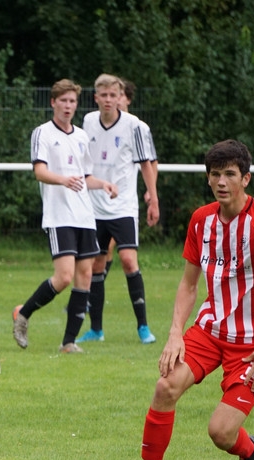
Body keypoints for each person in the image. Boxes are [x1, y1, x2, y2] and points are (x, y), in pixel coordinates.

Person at [121, 139, 254, 460]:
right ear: (208, 179)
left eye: (230, 174)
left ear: (246, 179)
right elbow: (189, 284)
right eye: (215, 174)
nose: (222, 181)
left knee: (221, 432)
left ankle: (250, 450)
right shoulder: (201, 220)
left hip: (253, 344)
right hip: (208, 331)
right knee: (164, 388)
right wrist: (175, 334)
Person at [13, 79, 117, 354]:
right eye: (64, 101)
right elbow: (39, 171)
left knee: (85, 275)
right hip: (59, 216)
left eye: (72, 101)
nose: (69, 106)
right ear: (53, 103)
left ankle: (68, 342)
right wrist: (63, 180)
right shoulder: (43, 133)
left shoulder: (82, 136)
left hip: (84, 216)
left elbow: (85, 177)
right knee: (63, 277)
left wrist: (103, 184)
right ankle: (23, 314)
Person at [78, 74, 160, 345]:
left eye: (114, 95)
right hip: (94, 207)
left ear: (120, 96)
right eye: (104, 95)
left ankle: (143, 327)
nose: (109, 100)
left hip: (123, 206)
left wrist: (153, 197)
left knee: (127, 260)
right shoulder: (88, 121)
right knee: (97, 265)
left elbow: (147, 163)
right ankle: (97, 330)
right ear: (96, 97)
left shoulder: (134, 125)